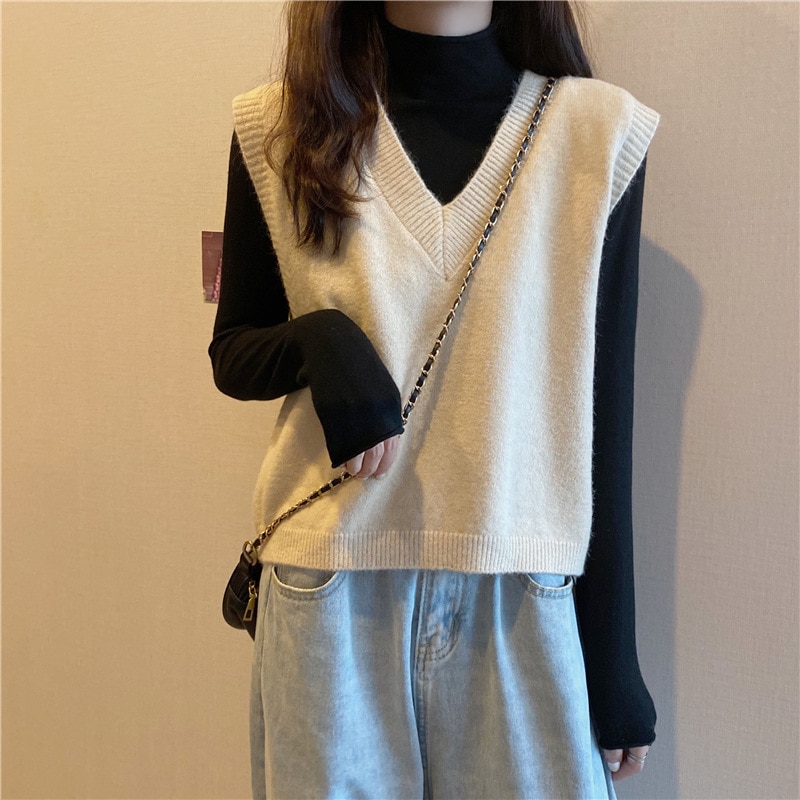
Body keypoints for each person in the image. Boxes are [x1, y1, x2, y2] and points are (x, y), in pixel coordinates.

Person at [210, 1, 661, 797]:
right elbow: (234, 349)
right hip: (328, 595)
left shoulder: (595, 133)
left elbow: (603, 415)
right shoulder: (281, 126)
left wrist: (613, 656)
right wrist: (318, 341)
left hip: (520, 589)